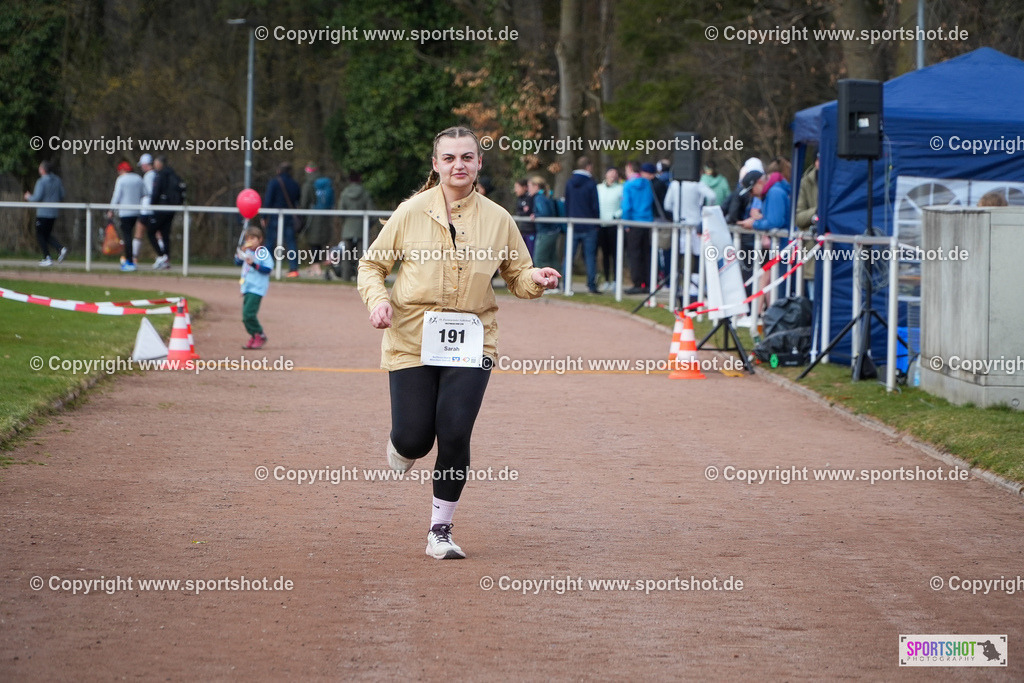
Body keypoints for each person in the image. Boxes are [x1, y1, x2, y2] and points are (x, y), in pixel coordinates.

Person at [357, 125, 560, 560]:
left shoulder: (498, 218)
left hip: (472, 340)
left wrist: (536, 279)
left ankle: (440, 530)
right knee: (414, 439)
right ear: (436, 164)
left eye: (466, 157)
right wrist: (377, 302)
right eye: (449, 158)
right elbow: (372, 265)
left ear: (479, 163)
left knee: (454, 430)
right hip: (411, 338)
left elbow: (516, 277)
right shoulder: (410, 213)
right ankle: (401, 446)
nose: (458, 165)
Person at [664, 175, 716, 291]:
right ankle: (694, 286)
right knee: (697, 255)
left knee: (679, 255)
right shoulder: (697, 184)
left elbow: (667, 205)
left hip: (680, 225)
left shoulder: (674, 184)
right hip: (695, 224)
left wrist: (677, 212)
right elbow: (712, 196)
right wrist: (705, 211)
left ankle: (675, 285)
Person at [563, 156, 602, 294]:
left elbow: (567, 204)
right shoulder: (591, 183)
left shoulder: (569, 183)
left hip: (572, 224)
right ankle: (591, 285)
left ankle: (565, 284)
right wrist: (597, 222)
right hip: (589, 225)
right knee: (590, 257)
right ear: (588, 166)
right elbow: (595, 205)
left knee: (569, 256)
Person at [235, 226, 274, 349]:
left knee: (248, 314)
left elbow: (267, 269)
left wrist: (254, 265)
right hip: (247, 287)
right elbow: (238, 262)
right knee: (245, 317)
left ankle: (259, 334)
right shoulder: (247, 252)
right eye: (248, 239)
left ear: (260, 239)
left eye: (253, 238)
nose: (250, 241)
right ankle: (254, 335)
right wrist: (240, 253)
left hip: (257, 288)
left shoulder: (262, 252)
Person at [24, 160, 66, 266]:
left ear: (42, 170)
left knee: (40, 235)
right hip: (54, 212)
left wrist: (29, 197)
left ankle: (47, 257)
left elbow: (37, 197)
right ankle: (60, 248)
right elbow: (62, 194)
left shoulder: (41, 182)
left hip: (43, 213)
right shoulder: (57, 180)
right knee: (46, 235)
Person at [263, 162, 302, 278]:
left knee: (270, 242)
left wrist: (264, 217)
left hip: (275, 216)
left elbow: (268, 200)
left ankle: (266, 267)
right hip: (289, 217)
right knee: (291, 243)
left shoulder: (274, 182)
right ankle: (294, 269)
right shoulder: (295, 184)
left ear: (279, 170)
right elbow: (298, 200)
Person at [620, 161, 654, 293]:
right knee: (646, 253)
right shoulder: (647, 183)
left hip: (634, 222)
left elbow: (626, 206)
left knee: (634, 254)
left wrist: (626, 223)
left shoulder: (628, 185)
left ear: (629, 168)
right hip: (647, 222)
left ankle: (638, 283)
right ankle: (648, 281)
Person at [107, 160, 145, 271]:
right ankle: (131, 259)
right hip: (137, 211)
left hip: (125, 212)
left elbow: (116, 196)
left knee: (127, 236)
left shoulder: (121, 180)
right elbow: (144, 193)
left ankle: (129, 261)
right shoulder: (138, 178)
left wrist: (111, 209)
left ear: (122, 170)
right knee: (132, 236)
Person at [337, 171, 374, 281]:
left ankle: (345, 277)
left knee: (346, 254)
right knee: (361, 254)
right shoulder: (365, 193)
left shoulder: (344, 193)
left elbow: (340, 211)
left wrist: (345, 223)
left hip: (348, 227)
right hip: (362, 227)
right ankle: (361, 278)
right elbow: (371, 211)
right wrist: (368, 225)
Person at [299, 162, 334, 278]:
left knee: (313, 241)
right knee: (319, 242)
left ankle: (316, 265)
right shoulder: (325, 183)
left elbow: (304, 202)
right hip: (324, 216)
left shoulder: (309, 185)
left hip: (313, 217)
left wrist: (301, 215)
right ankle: (315, 264)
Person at [149, 155, 183, 269]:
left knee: (151, 231)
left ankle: (161, 255)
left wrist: (152, 205)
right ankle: (166, 258)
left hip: (161, 208)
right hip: (172, 209)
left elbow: (156, 192)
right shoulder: (173, 174)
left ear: (159, 164)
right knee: (165, 234)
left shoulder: (160, 175)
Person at [596, 167, 623, 291]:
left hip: (614, 225)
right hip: (601, 225)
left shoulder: (620, 189)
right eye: (610, 172)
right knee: (605, 254)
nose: (612, 175)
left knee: (615, 254)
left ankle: (616, 281)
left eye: (615, 173)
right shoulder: (599, 188)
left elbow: (623, 206)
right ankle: (606, 279)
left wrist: (616, 215)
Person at [529, 175, 561, 272]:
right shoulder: (546, 195)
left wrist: (536, 215)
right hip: (553, 231)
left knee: (539, 258)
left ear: (536, 186)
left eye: (530, 186)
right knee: (552, 258)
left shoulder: (539, 198)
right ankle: (556, 283)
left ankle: (545, 282)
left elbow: (545, 213)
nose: (528, 189)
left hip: (546, 232)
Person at [135, 154, 159, 266]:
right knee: (158, 233)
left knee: (139, 231)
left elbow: (147, 193)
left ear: (145, 165)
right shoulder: (157, 175)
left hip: (146, 208)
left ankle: (134, 257)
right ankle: (162, 256)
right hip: (155, 208)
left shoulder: (148, 176)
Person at [513, 178, 535, 256]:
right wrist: (523, 211)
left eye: (517, 187)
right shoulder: (519, 199)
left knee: (531, 254)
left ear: (525, 187)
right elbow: (519, 212)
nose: (515, 190)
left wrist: (525, 212)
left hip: (531, 231)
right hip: (522, 231)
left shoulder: (530, 198)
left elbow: (528, 211)